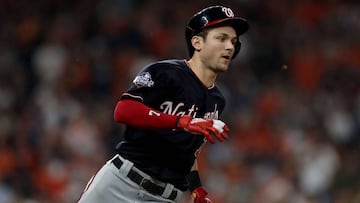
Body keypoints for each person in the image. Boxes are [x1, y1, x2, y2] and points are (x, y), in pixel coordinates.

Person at [77, 5, 249, 203]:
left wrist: (197, 188)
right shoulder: (166, 72)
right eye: (221, 38)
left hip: (164, 198)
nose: (229, 46)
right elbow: (123, 110)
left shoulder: (217, 100)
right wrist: (182, 121)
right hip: (119, 183)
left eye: (233, 41)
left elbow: (187, 152)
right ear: (197, 42)